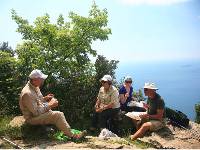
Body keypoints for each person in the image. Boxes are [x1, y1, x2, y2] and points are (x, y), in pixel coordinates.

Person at [19, 69, 86, 139]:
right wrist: (50, 105)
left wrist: (45, 98)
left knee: (54, 113)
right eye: (41, 79)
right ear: (35, 80)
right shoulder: (27, 93)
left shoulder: (35, 87)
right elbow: (36, 112)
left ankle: (66, 131)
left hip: (37, 114)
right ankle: (73, 136)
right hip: (32, 119)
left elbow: (36, 101)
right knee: (58, 115)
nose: (43, 80)